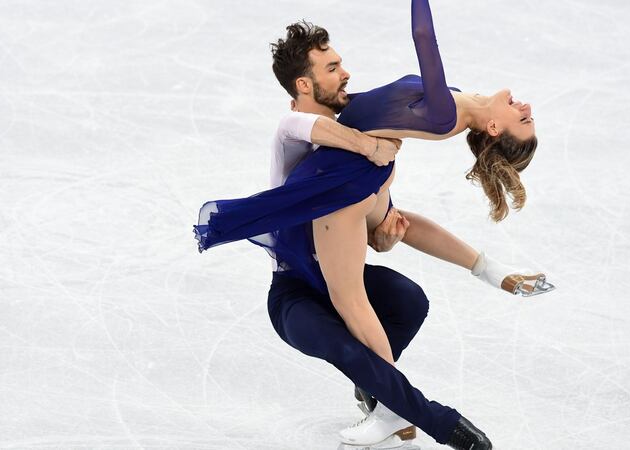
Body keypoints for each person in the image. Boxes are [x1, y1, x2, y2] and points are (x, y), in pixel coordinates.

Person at [195, 1, 553, 447]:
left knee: (407, 301)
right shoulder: (301, 129)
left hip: (341, 239)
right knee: (347, 344)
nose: (346, 72)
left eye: (340, 63)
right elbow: (313, 128)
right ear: (303, 86)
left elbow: (399, 223)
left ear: (496, 127)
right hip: (294, 293)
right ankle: (409, 411)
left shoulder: (363, 167)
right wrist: (367, 147)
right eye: (333, 66)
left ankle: (379, 392)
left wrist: (487, 269)